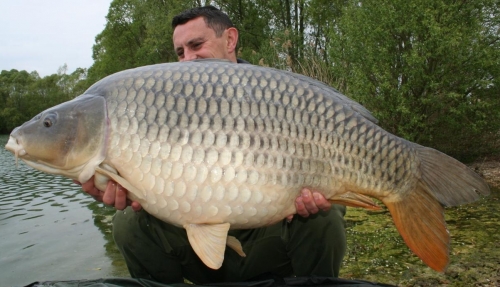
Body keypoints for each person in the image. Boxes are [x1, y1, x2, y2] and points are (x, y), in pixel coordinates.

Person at [77, 5, 347, 284]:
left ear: (230, 40)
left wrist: (307, 195)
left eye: (196, 45)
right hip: (192, 245)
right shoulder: (166, 105)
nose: (188, 59)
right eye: (180, 53)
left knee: (325, 216)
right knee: (128, 224)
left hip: (269, 239)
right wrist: (119, 186)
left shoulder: (275, 97)